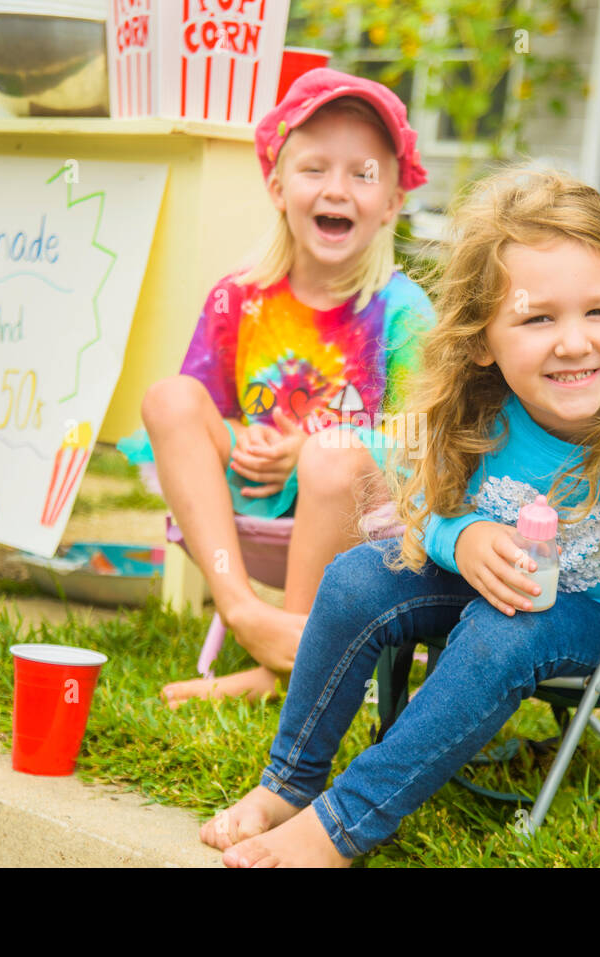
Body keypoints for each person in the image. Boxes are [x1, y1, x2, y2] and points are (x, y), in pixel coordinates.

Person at [201, 166, 600, 866]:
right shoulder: (476, 413)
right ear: (482, 338)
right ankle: (288, 783)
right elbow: (419, 501)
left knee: (503, 628)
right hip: (495, 587)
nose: (573, 342)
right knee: (359, 575)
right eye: (538, 318)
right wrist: (463, 533)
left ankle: (341, 825)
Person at [136, 69, 433, 707]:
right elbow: (206, 414)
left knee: (332, 455)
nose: (338, 189)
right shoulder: (238, 297)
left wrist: (312, 448)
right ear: (276, 185)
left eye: (364, 174)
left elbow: (420, 440)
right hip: (257, 501)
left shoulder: (403, 312)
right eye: (315, 169)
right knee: (167, 398)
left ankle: (287, 663)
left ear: (393, 201)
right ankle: (245, 614)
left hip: (359, 516)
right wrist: (252, 438)